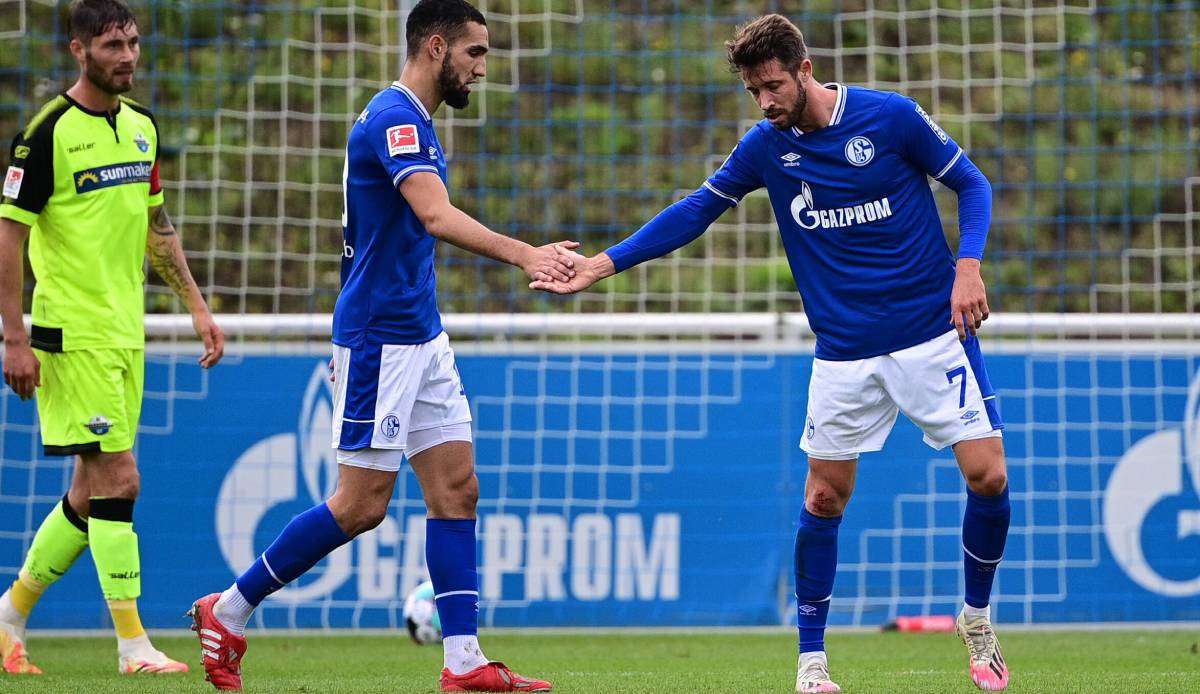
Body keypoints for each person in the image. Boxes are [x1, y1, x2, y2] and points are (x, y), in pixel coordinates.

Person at [532, 14, 1011, 693]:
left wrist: (969, 265)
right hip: (844, 352)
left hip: (932, 334)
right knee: (823, 495)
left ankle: (977, 620)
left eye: (774, 85)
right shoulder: (766, 148)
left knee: (989, 477)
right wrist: (601, 266)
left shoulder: (891, 119)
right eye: (754, 91)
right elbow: (695, 210)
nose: (766, 102)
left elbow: (975, 185)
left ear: (805, 69)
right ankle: (811, 663)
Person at [187, 1, 570, 691]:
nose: (481, 68)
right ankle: (230, 609)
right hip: (378, 340)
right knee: (361, 505)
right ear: (435, 47)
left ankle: (463, 664)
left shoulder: (417, 123)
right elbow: (434, 214)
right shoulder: (394, 118)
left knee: (457, 488)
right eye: (474, 53)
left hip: (421, 333)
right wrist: (524, 254)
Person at [0, 0, 224, 677]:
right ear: (77, 50)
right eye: (110, 45)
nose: (125, 56)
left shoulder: (143, 129)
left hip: (126, 334)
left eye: (131, 42)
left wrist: (197, 306)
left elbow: (158, 226)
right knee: (120, 476)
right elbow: (9, 235)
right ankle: (133, 646)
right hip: (70, 333)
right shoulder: (46, 133)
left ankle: (8, 617)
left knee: (87, 492)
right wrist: (13, 336)